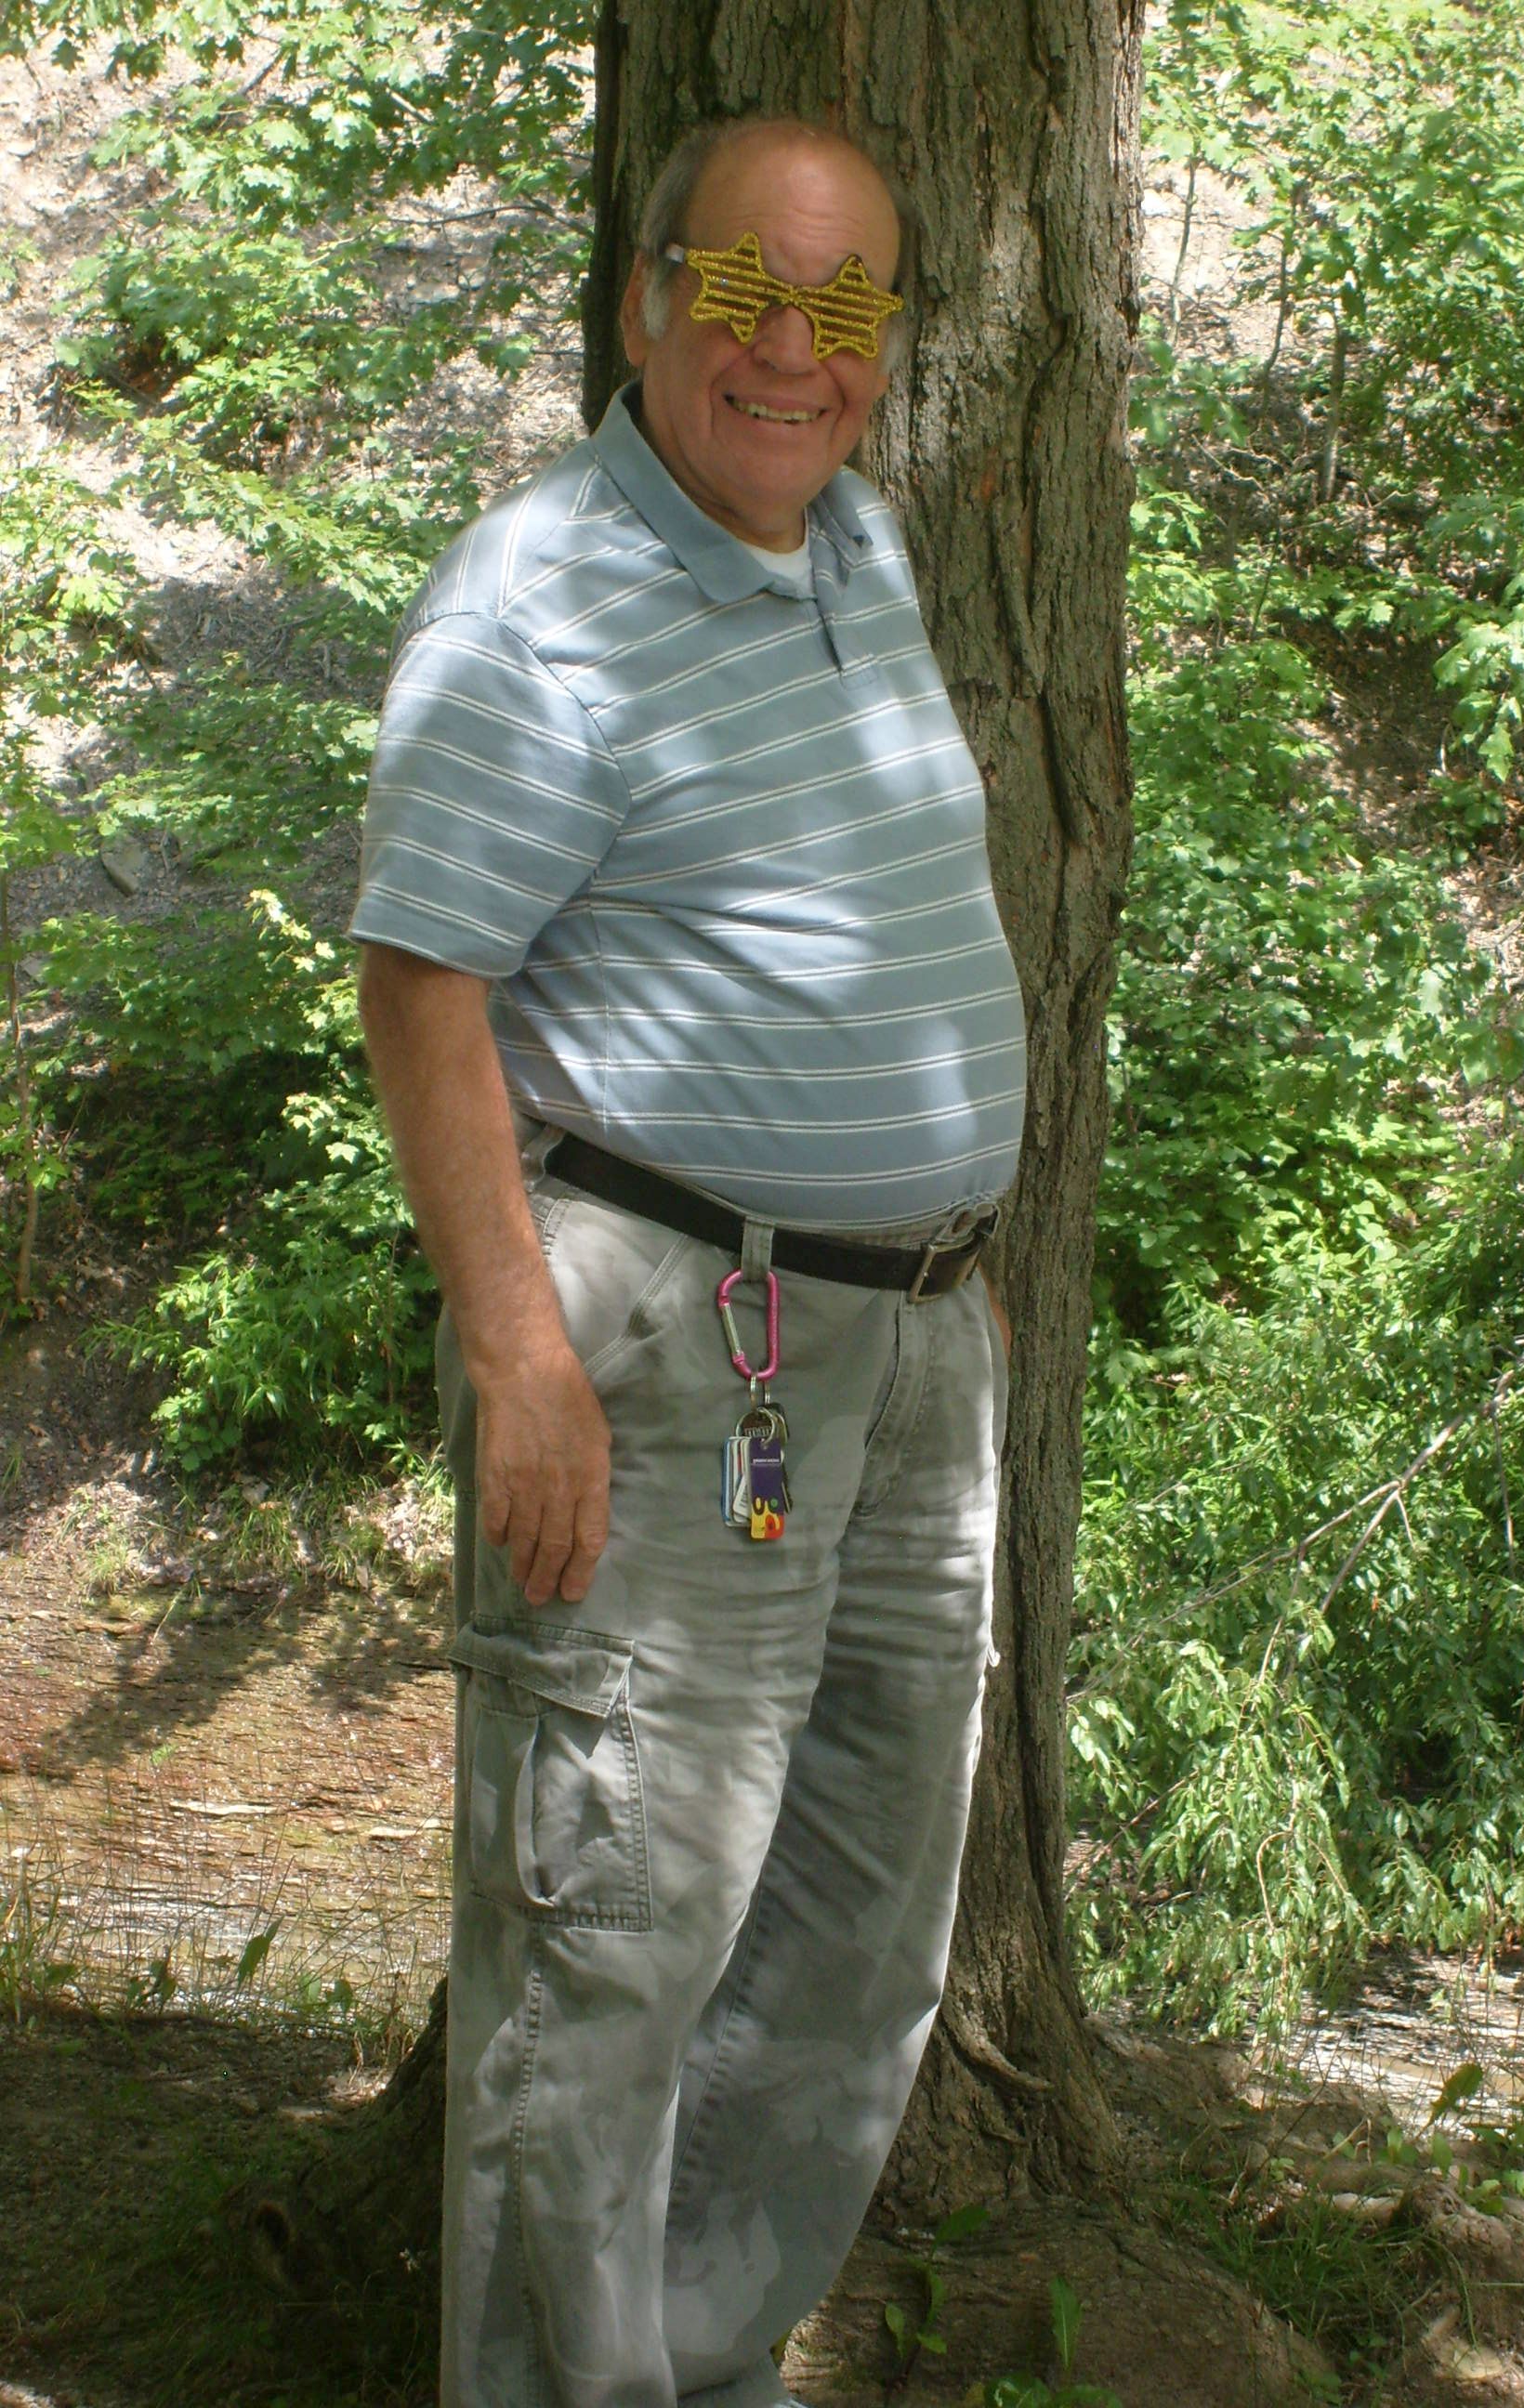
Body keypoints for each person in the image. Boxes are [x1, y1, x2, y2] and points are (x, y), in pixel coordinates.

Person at [354, 114, 1025, 2408]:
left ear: (888, 345)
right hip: (675, 1344)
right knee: (611, 1944)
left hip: (911, 1353)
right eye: (741, 291)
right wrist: (519, 1355)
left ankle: (698, 2371)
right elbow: (422, 983)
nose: (789, 352)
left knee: (854, 1934)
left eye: (843, 308)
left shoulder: (864, 545)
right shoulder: (541, 600)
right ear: (647, 299)